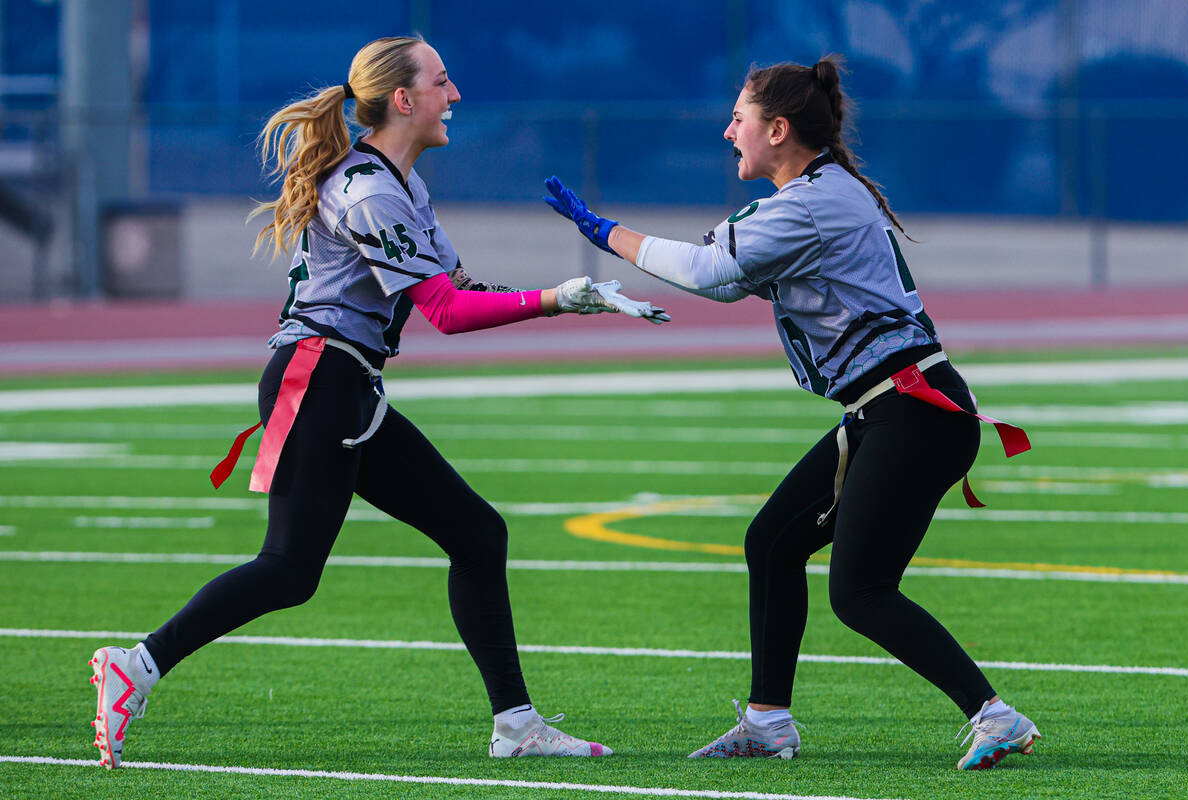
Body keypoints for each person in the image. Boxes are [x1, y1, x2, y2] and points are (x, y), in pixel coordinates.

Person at [86, 35, 665, 769]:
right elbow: (449, 314)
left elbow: (455, 289)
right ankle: (136, 664)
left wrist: (570, 295)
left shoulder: (399, 183)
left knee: (477, 535)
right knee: (291, 569)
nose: (454, 96)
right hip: (319, 380)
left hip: (345, 385)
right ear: (404, 99)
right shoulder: (369, 189)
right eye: (442, 82)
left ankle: (516, 724)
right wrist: (558, 299)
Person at [543, 57, 1039, 770]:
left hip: (913, 409)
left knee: (861, 592)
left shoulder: (812, 200)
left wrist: (604, 231)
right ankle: (768, 720)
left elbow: (708, 272)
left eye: (739, 119)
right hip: (887, 409)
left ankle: (995, 714)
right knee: (771, 543)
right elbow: (724, 278)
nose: (727, 131)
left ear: (778, 130)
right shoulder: (808, 195)